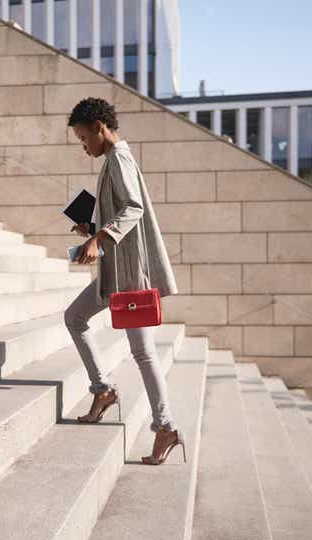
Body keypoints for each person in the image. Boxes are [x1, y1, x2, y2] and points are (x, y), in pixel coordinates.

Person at [63, 97, 182, 465]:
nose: (84, 147)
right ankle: (103, 390)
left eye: (84, 138)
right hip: (117, 273)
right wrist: (92, 229)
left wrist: (98, 239)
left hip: (128, 277)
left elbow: (134, 208)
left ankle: (165, 426)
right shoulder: (115, 160)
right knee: (75, 318)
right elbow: (123, 213)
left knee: (143, 352)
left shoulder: (119, 159)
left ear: (100, 127)